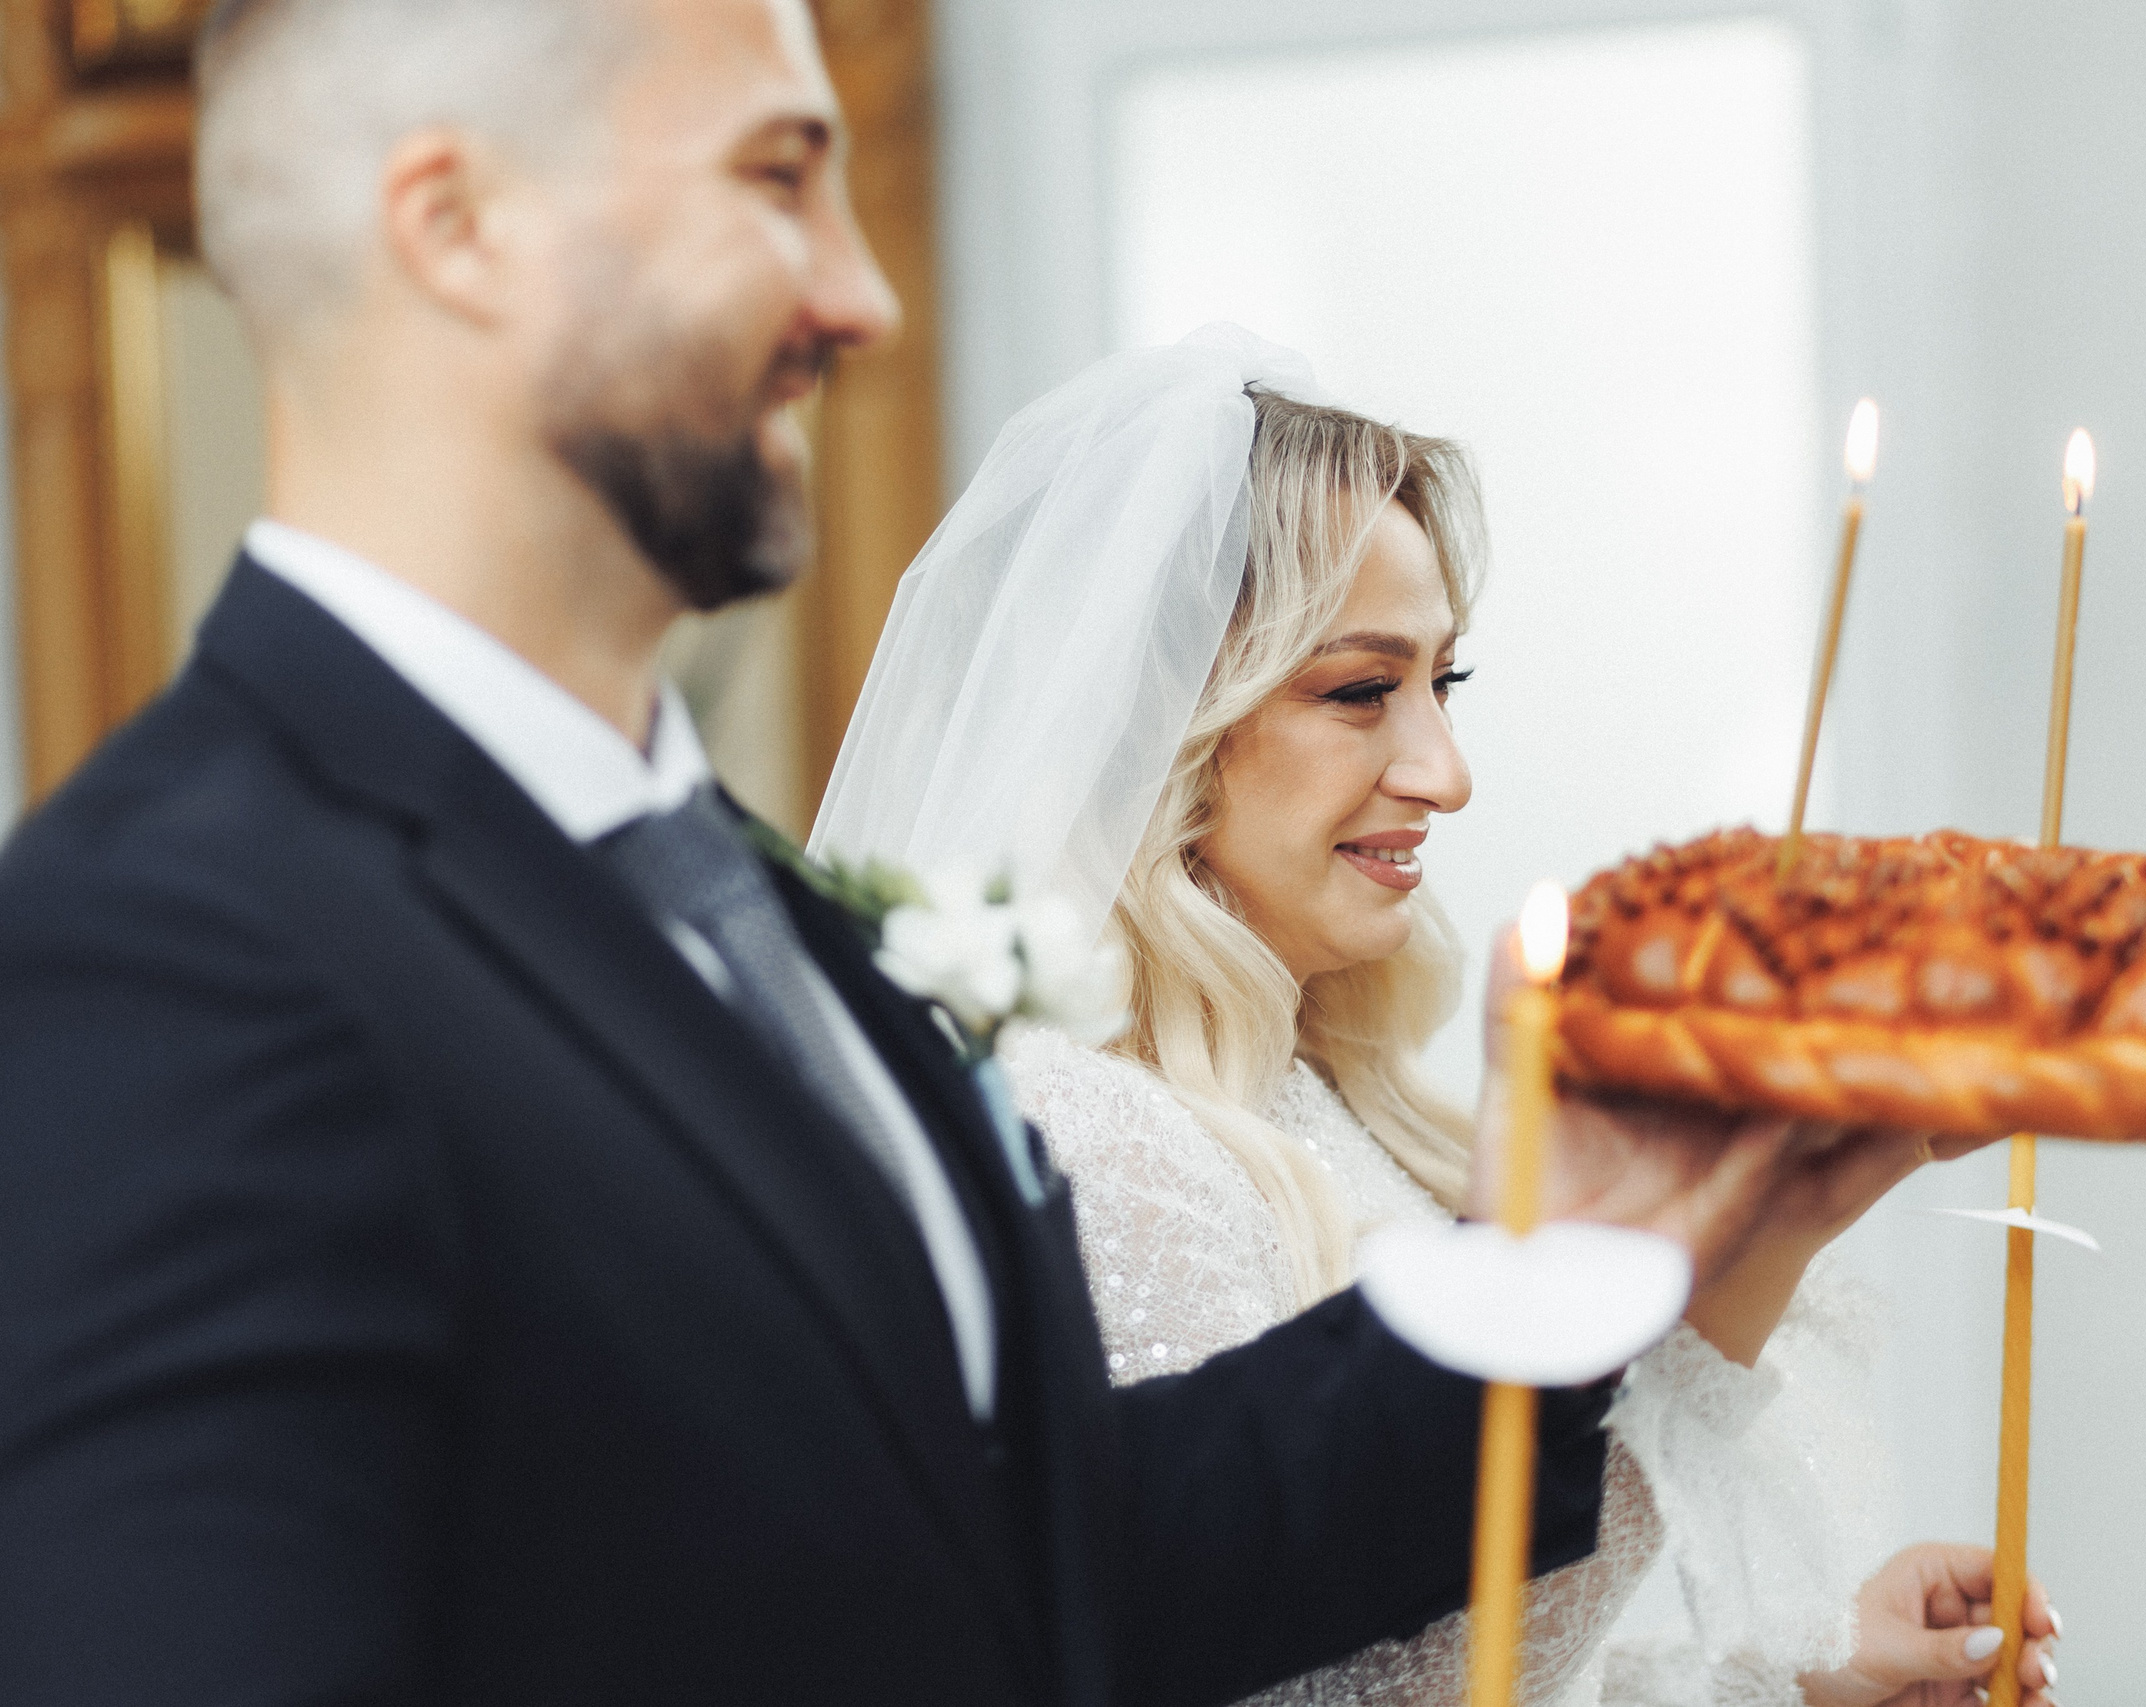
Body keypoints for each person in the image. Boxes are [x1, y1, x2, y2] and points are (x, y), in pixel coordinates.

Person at [0, 5, 1868, 1706]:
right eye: (777, 178)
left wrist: (1596, 1242)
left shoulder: (753, 914)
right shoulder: (166, 952)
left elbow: (1075, 1562)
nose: (863, 296)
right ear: (459, 225)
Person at [813, 331, 2065, 1707]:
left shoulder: (1323, 1089)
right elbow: (1326, 1685)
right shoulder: (1087, 1130)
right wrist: (1768, 1229)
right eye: (1362, 690)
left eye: (1442, 684)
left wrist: (1800, 1677)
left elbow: (1443, 1654)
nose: (1446, 772)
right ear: (1157, 716)